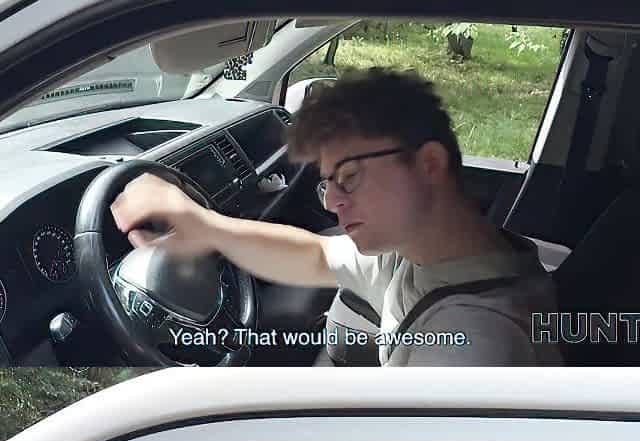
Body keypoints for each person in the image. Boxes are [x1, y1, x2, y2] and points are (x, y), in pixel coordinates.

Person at [110, 67, 563, 366]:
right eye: (328, 182)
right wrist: (205, 227)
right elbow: (316, 256)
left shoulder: (475, 340)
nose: (331, 201)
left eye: (349, 176)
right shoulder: (422, 252)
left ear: (428, 164)